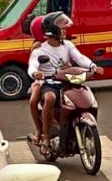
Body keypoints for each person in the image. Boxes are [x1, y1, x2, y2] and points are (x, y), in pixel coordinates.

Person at [28, 12, 103, 156]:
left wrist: (93, 66)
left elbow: (79, 58)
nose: (65, 31)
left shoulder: (67, 45)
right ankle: (47, 139)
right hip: (50, 83)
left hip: (67, 82)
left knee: (83, 94)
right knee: (50, 98)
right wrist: (35, 73)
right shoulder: (40, 50)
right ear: (53, 30)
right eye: (62, 28)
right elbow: (32, 65)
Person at [27, 14, 46, 145]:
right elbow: (33, 66)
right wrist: (37, 74)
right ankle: (39, 131)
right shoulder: (37, 46)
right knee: (33, 101)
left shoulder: (60, 43)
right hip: (42, 81)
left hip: (61, 78)